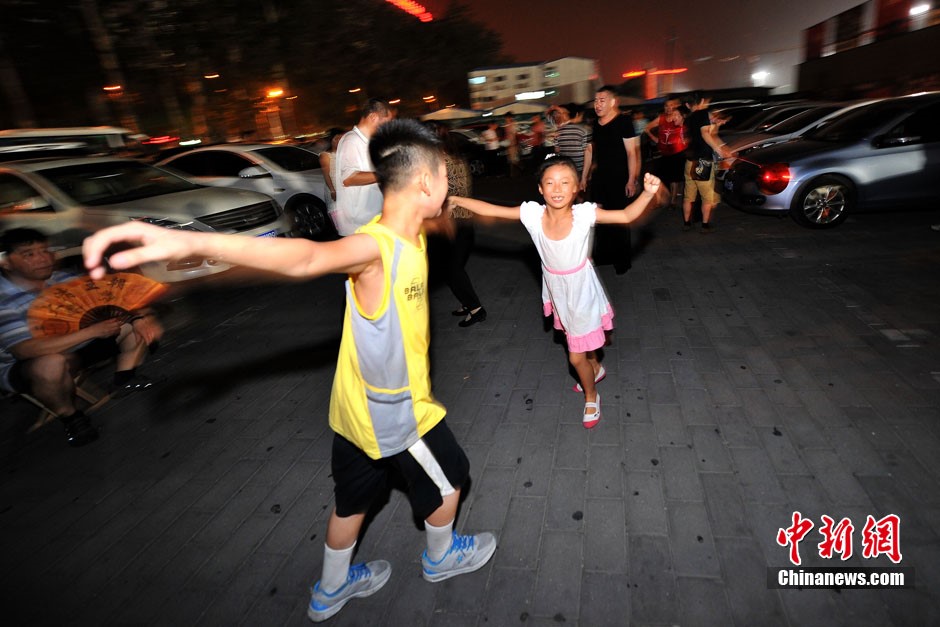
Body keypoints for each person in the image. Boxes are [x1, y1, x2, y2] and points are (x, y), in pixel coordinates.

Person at [82, 119, 497, 622]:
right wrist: (195, 243)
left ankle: (331, 588)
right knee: (451, 480)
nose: (450, 186)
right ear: (426, 183)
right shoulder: (376, 247)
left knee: (351, 504)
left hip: (351, 409)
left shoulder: (407, 233)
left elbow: (443, 217)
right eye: (445, 177)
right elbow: (305, 258)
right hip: (398, 415)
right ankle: (440, 558)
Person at [451, 156, 663, 429]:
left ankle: (591, 394)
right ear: (540, 189)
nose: (557, 188)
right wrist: (457, 200)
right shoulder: (532, 214)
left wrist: (647, 193)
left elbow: (625, 216)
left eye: (565, 182)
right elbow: (491, 210)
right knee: (574, 338)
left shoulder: (584, 214)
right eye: (550, 183)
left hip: (581, 290)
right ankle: (595, 369)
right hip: (555, 288)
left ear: (576, 188)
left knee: (575, 354)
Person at [1, 228, 163, 447]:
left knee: (141, 319)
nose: (42, 258)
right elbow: (24, 350)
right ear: (6, 262)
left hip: (78, 345)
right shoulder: (4, 300)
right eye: (29, 254)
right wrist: (92, 332)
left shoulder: (62, 279)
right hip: (28, 364)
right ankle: (70, 416)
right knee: (51, 364)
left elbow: (110, 299)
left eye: (45, 250)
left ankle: (125, 379)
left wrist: (138, 317)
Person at [432, 123, 486, 327]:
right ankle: (466, 303)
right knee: (453, 266)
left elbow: (440, 194)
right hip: (466, 219)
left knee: (451, 268)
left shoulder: (440, 163)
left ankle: (476, 309)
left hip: (451, 221)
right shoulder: (459, 159)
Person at [582, 85, 640, 274]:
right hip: (600, 179)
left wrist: (631, 179)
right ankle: (603, 255)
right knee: (599, 217)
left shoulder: (623, 121)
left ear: (613, 102)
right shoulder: (595, 125)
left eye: (602, 100)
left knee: (619, 219)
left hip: (619, 178)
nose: (597, 104)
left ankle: (621, 260)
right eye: (596, 101)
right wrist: (584, 177)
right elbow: (591, 151)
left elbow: (632, 152)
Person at [333, 99, 393, 236]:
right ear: (373, 117)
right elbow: (348, 178)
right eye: (386, 122)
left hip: (373, 219)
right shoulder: (352, 141)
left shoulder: (370, 142)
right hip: (358, 225)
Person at [682, 92, 734, 233]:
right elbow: (705, 134)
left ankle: (686, 223)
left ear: (687, 105)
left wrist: (717, 124)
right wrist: (719, 150)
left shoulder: (687, 119)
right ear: (702, 101)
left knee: (689, 196)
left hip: (689, 161)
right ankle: (705, 225)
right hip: (703, 161)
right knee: (707, 197)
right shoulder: (702, 114)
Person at [645, 96, 688, 208]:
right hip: (663, 153)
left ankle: (673, 201)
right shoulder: (661, 118)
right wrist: (655, 139)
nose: (669, 108)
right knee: (662, 177)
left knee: (674, 178)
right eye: (666, 105)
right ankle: (660, 200)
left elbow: (686, 132)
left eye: (671, 105)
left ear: (676, 106)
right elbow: (647, 128)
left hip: (677, 153)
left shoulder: (679, 118)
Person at [318, 127, 346, 234]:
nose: (339, 141)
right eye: (336, 138)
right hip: (334, 186)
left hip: (344, 187)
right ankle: (341, 233)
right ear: (331, 140)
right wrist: (332, 190)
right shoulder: (325, 155)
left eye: (341, 139)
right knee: (337, 213)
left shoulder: (343, 153)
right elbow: (326, 175)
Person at [552, 103, 591, 179]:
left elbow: (557, 151)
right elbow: (588, 153)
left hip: (566, 168)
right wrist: (585, 176)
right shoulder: (585, 130)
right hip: (580, 170)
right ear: (577, 115)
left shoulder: (558, 131)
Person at [503, 112, 521, 178]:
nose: (505, 119)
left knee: (514, 160)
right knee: (511, 159)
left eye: (506, 118)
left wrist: (515, 144)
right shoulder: (507, 125)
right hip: (509, 144)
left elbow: (515, 135)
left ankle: (520, 170)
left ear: (509, 118)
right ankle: (513, 173)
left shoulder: (513, 125)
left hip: (513, 144)